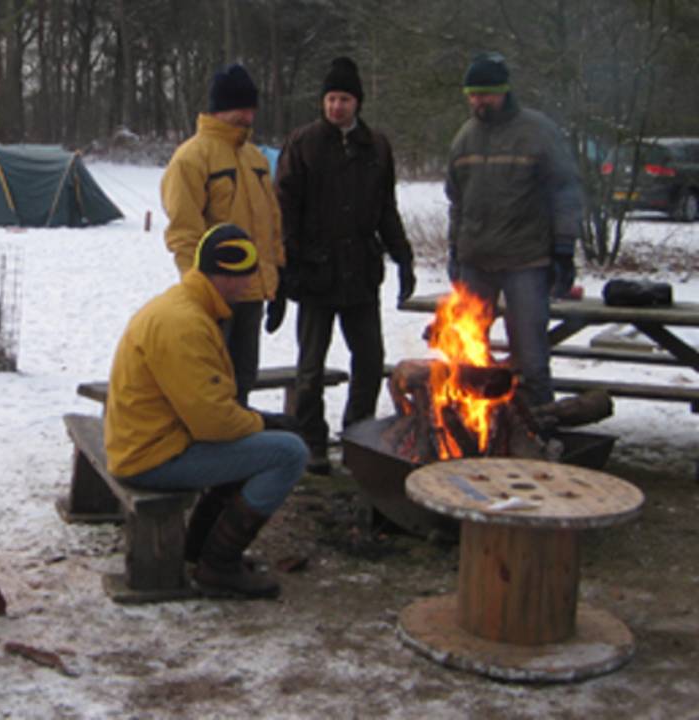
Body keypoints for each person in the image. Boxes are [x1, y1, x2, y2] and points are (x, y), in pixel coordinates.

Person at [104, 223, 308, 598]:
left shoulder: (184, 305)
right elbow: (213, 423)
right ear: (227, 277)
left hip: (147, 441)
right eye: (246, 278)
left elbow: (207, 407)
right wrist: (263, 422)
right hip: (151, 456)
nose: (249, 287)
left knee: (255, 442)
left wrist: (257, 425)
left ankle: (198, 546)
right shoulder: (185, 325)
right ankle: (219, 564)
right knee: (288, 453)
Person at [274, 57, 416, 475]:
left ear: (358, 102)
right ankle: (312, 441)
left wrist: (403, 255)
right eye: (331, 99)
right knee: (310, 367)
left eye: (345, 99)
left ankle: (358, 434)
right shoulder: (302, 144)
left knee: (370, 359)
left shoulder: (377, 147)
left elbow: (386, 209)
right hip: (315, 271)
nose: (337, 107)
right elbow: (285, 208)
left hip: (360, 271)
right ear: (323, 102)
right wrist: (288, 268)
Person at [445, 52, 583, 409]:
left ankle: (540, 423)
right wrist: (454, 252)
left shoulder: (537, 132)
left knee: (531, 356)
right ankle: (473, 427)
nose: (479, 102)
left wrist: (564, 249)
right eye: (473, 95)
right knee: (468, 355)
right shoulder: (464, 138)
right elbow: (456, 202)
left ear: (505, 92)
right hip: (475, 260)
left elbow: (566, 192)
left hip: (526, 260)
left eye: (487, 94)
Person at [160, 63, 287, 408]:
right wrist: (197, 291)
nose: (246, 117)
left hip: (252, 293)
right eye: (239, 109)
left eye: (250, 109)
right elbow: (184, 232)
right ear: (219, 109)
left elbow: (271, 224)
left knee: (243, 378)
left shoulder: (256, 158)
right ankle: (210, 456)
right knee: (209, 382)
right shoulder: (191, 158)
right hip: (213, 294)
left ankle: (241, 452)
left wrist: (276, 278)